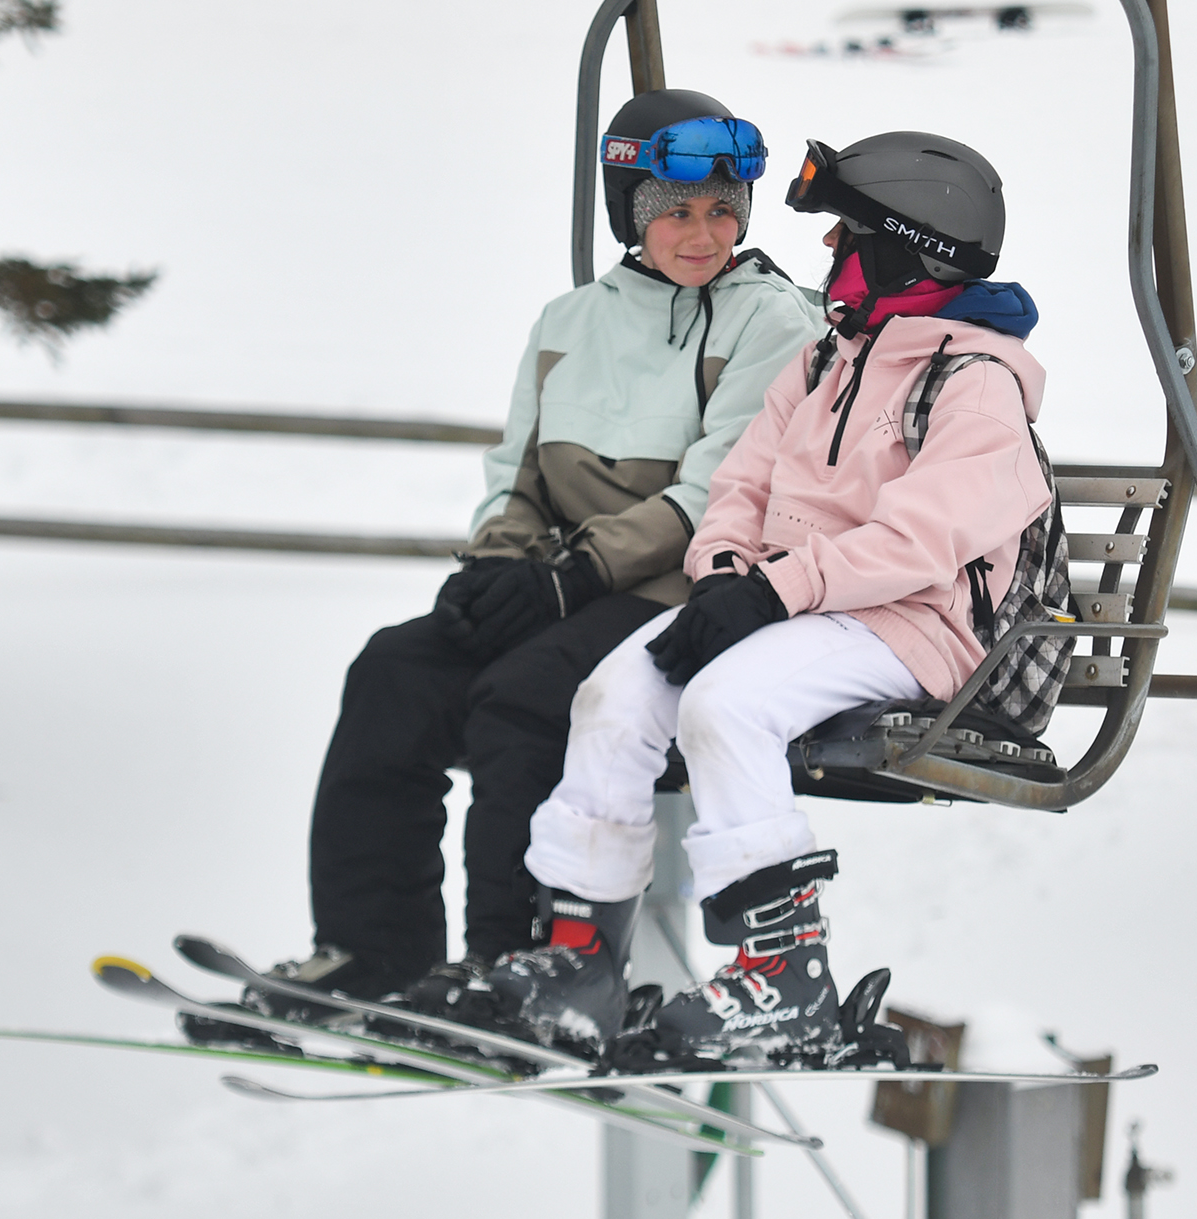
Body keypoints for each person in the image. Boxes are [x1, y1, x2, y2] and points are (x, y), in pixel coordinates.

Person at [207, 89, 827, 1033]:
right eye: (677, 213)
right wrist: (495, 568)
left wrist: (570, 576)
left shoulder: (770, 321)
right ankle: (373, 950)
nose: (702, 234)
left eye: (722, 210)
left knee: (526, 696)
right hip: (565, 581)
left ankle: (514, 961)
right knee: (396, 671)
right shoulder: (571, 320)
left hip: (675, 589)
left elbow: (716, 488)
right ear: (634, 214)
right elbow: (518, 471)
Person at [456, 131, 1068, 1067]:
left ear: (911, 250)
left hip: (919, 629)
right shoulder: (825, 361)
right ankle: (578, 957)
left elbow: (918, 541)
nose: (829, 253)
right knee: (613, 696)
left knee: (723, 704)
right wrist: (727, 575)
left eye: (847, 235)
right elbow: (739, 484)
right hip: (798, 610)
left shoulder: (974, 387)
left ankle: (786, 977)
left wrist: (774, 591)